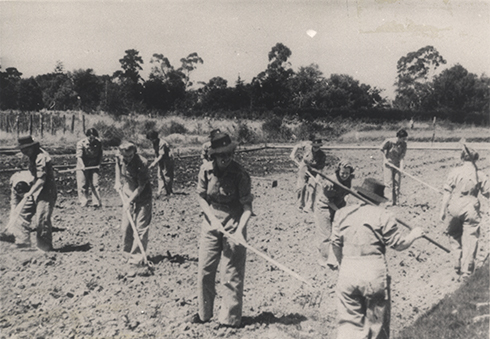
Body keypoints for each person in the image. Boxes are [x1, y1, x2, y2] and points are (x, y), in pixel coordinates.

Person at [331, 178, 425, 339]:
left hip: (348, 269)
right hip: (372, 271)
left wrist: (343, 265)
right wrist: (414, 235)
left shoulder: (342, 213)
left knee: (348, 324)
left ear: (359, 194)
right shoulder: (383, 214)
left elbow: (335, 244)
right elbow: (399, 244)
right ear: (378, 199)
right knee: (376, 325)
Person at [191, 132, 253, 328]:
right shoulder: (206, 170)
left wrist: (238, 232)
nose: (225, 158)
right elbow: (201, 197)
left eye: (228, 154)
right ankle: (204, 314)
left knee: (231, 273)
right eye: (221, 155)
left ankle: (230, 320)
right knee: (205, 271)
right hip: (210, 223)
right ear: (214, 156)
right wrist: (211, 219)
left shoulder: (240, 174)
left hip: (235, 222)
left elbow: (247, 209)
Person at [439, 147, 489, 279]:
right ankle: (467, 270)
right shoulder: (480, 174)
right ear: (476, 159)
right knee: (470, 237)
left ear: (462, 158)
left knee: (454, 234)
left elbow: (447, 192)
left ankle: (457, 261)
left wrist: (442, 210)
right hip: (470, 207)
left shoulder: (454, 172)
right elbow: (488, 193)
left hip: (454, 205)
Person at [114, 141, 153, 276]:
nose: (128, 159)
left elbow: (141, 187)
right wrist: (117, 181)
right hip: (128, 191)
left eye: (130, 156)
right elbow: (118, 165)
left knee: (141, 227)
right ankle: (126, 254)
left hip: (143, 196)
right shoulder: (119, 157)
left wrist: (129, 201)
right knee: (126, 226)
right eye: (125, 157)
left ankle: (136, 259)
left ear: (134, 153)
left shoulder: (142, 163)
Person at [17, 136, 58, 251]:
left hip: (46, 191)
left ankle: (45, 247)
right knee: (23, 213)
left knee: (42, 218)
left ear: (32, 147)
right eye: (22, 150)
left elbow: (41, 180)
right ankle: (23, 242)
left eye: (26, 149)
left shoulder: (41, 157)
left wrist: (29, 193)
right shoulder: (31, 156)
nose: (23, 152)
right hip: (35, 189)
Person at [314, 162, 355, 269]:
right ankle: (324, 260)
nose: (345, 175)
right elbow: (328, 202)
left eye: (347, 173)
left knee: (339, 233)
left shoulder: (348, 180)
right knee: (326, 234)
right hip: (325, 207)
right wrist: (340, 212)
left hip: (338, 205)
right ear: (338, 171)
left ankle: (337, 258)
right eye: (342, 173)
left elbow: (346, 193)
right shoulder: (330, 182)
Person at [290, 134, 327, 212]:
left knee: (312, 189)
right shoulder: (307, 147)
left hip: (314, 171)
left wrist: (317, 179)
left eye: (318, 147)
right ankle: (300, 205)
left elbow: (320, 169)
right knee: (301, 187)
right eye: (314, 146)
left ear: (320, 146)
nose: (316, 148)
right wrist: (293, 154)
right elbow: (297, 146)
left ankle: (309, 207)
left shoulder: (322, 155)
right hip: (304, 167)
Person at [0, 171, 36, 247]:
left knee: (25, 212)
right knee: (16, 210)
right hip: (18, 183)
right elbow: (14, 205)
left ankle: (23, 239)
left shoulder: (32, 180)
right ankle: (10, 231)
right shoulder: (14, 183)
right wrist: (10, 224)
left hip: (34, 189)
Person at [380, 129, 408, 205]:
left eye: (405, 138)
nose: (404, 140)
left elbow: (402, 157)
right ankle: (389, 201)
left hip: (397, 165)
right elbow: (381, 149)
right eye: (403, 138)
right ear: (399, 137)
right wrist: (385, 159)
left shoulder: (404, 145)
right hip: (388, 164)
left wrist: (401, 168)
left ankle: (396, 201)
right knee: (388, 183)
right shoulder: (389, 142)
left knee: (397, 183)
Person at [76, 128, 103, 207]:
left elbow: (100, 155)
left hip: (94, 164)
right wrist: (82, 165)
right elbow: (79, 156)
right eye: (90, 138)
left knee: (95, 184)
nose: (92, 139)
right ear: (87, 136)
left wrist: (99, 164)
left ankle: (96, 202)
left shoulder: (98, 143)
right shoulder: (81, 143)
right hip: (83, 164)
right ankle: (83, 201)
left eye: (94, 137)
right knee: (83, 184)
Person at [146, 131, 174, 197]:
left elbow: (161, 155)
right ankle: (160, 191)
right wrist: (155, 162)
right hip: (161, 160)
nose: (151, 141)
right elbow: (157, 154)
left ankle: (169, 192)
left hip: (168, 160)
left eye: (151, 139)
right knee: (160, 175)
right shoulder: (155, 143)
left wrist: (154, 163)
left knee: (167, 175)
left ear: (155, 138)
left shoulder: (162, 143)